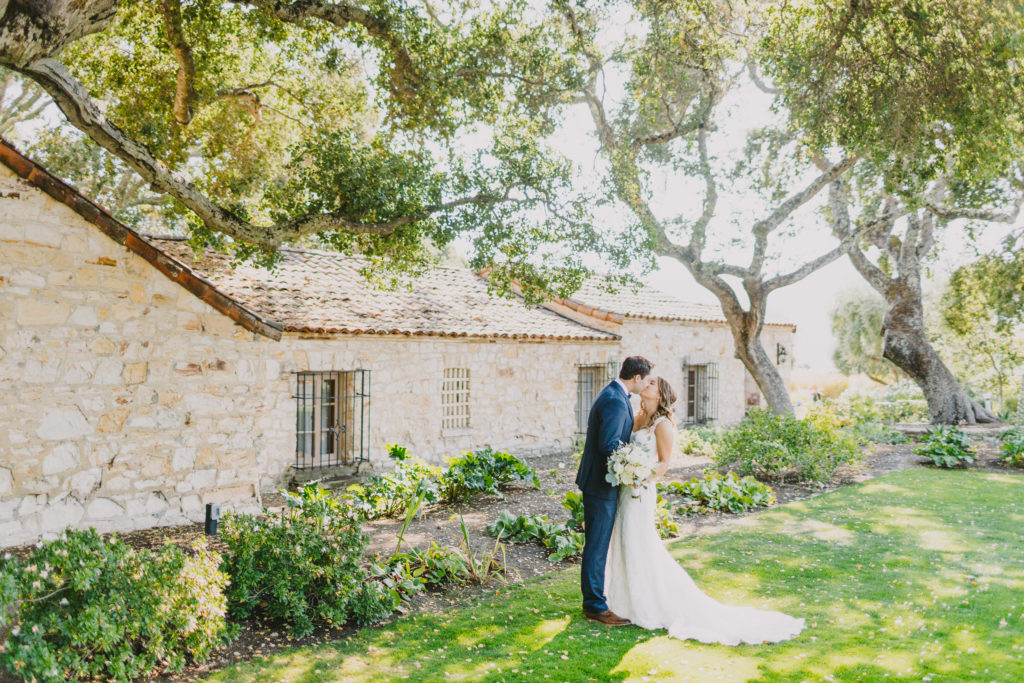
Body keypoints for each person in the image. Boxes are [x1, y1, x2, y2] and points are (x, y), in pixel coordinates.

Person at [605, 376, 805, 644]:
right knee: (623, 540)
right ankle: (621, 598)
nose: (647, 385)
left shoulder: (662, 425)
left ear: (661, 395)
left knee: (639, 542)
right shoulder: (636, 415)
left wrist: (640, 475)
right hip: (625, 490)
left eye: (652, 383)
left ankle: (647, 602)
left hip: (641, 489)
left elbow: (664, 463)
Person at [575, 355, 654, 625]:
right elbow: (609, 445)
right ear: (636, 378)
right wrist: (630, 467)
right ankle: (595, 606)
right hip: (600, 484)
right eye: (645, 381)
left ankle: (595, 600)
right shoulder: (613, 401)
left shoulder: (613, 394)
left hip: (601, 483)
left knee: (598, 545)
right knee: (596, 547)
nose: (645, 386)